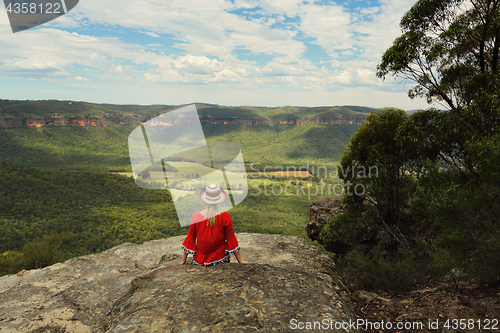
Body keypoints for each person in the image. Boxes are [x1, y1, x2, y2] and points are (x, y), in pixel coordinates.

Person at [180, 183, 248, 266]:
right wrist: (240, 260)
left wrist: (183, 260)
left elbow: (190, 239)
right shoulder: (225, 216)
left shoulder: (196, 216)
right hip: (220, 259)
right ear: (219, 200)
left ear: (204, 199)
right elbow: (231, 239)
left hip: (200, 260)